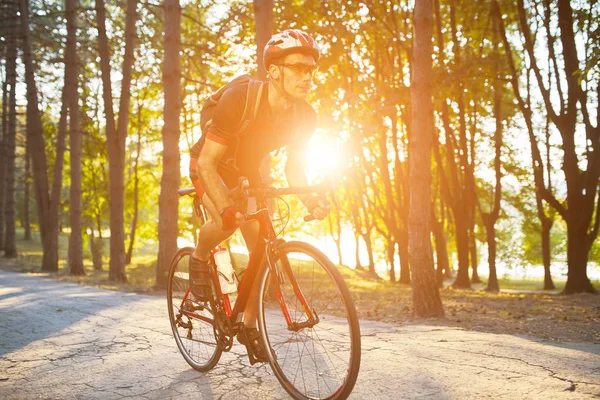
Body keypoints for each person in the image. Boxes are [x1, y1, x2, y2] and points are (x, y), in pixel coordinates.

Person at [188, 29, 330, 362]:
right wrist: (224, 207)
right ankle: (198, 257)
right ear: (275, 70)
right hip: (209, 163)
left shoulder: (304, 116)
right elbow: (208, 161)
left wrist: (311, 200)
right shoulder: (241, 98)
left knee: (261, 252)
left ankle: (248, 325)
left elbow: (295, 170)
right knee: (228, 223)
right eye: (298, 67)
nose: (307, 76)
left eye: (311, 69)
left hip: (247, 172)